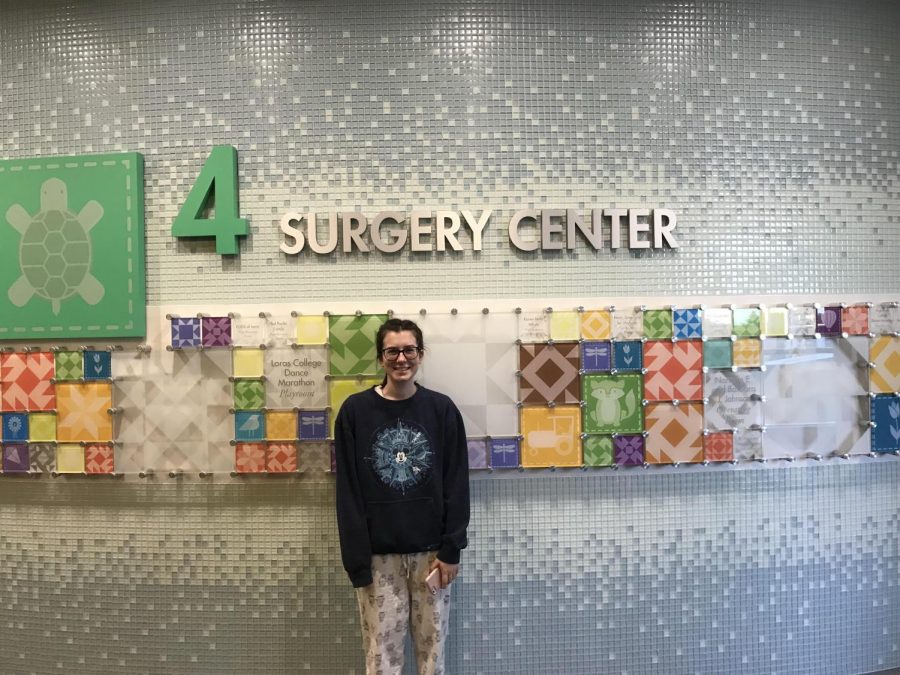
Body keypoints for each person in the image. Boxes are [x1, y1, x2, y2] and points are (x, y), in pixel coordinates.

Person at [334, 317, 470, 675]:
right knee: (381, 660)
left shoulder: (442, 411)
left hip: (433, 557)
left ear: (421, 355)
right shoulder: (354, 412)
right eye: (392, 351)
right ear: (381, 358)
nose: (401, 358)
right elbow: (347, 490)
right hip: (378, 559)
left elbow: (457, 483)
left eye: (409, 350)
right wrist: (357, 561)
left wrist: (452, 548)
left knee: (432, 658)